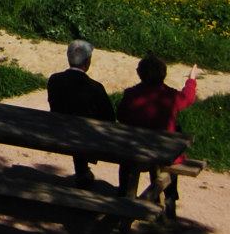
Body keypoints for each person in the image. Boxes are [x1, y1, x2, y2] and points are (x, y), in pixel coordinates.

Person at [117, 56, 202, 197]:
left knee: (126, 164)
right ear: (164, 74)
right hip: (162, 151)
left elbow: (121, 116)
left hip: (133, 148)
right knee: (169, 159)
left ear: (139, 73)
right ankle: (169, 199)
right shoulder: (170, 96)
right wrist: (191, 80)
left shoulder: (131, 94)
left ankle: (124, 191)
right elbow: (187, 98)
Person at [48, 39, 115, 185]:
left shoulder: (54, 80)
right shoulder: (96, 88)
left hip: (58, 131)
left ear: (68, 58)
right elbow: (109, 118)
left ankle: (82, 170)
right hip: (87, 137)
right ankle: (83, 172)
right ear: (88, 62)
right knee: (86, 130)